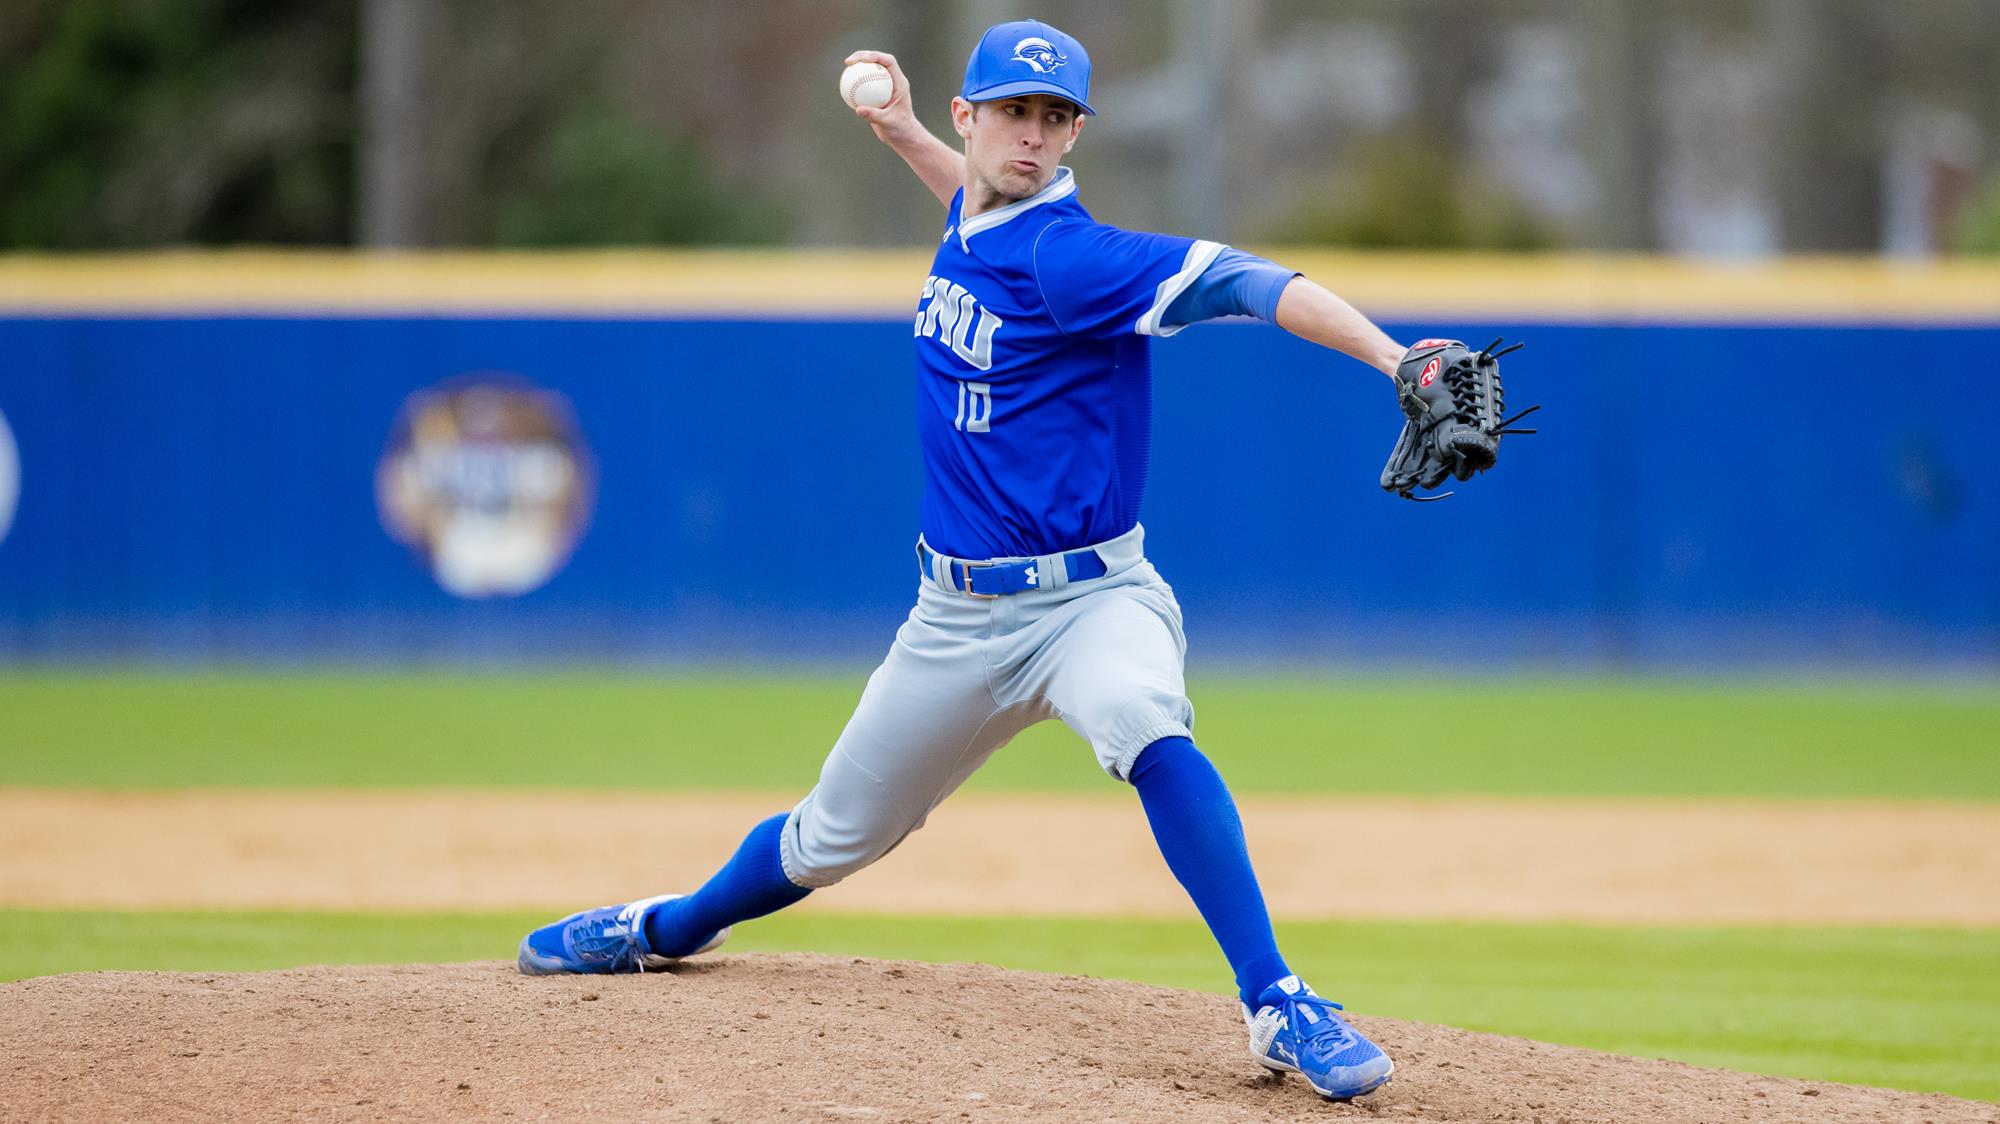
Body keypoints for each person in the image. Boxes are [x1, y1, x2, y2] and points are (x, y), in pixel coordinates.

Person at [518, 19, 1420, 1103]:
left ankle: (1277, 998)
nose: (1029, 137)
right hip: (951, 619)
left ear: (1074, 130)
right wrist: (900, 132)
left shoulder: (1072, 252)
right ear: (970, 115)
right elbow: (972, 200)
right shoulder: (980, 214)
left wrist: (1391, 354)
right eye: (1010, 113)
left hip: (1093, 598)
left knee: (1142, 720)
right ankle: (660, 926)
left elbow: (1241, 281)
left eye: (1052, 118)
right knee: (824, 838)